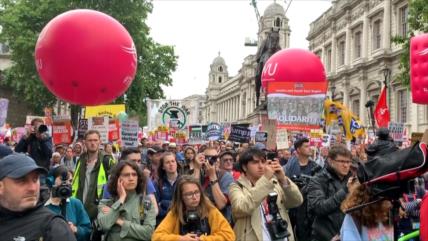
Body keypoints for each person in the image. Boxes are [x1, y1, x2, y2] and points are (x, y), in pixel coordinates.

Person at [229, 147, 303, 241]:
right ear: (244, 167)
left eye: (263, 162)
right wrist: (265, 179)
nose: (261, 166)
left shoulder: (274, 183)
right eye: (255, 162)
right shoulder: (236, 187)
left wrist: (283, 179)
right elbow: (242, 208)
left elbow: (297, 201)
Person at [0, 153, 76, 241]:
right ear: (1, 187)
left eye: (35, 179)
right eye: (22, 181)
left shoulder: (54, 227)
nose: (33, 188)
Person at [152, 175, 235, 241]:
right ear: (181, 197)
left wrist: (202, 239)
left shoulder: (210, 210)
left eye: (197, 192)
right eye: (189, 194)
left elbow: (229, 236)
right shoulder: (175, 213)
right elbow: (156, 237)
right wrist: (180, 239)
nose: (194, 197)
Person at [97, 160, 156, 241]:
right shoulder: (106, 203)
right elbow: (105, 225)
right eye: (126, 175)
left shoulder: (146, 202)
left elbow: (149, 233)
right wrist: (121, 199)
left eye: (134, 175)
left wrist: (119, 221)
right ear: (117, 179)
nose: (131, 178)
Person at [307, 144, 353, 241]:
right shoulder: (317, 180)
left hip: (349, 235)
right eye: (341, 161)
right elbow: (319, 208)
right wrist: (344, 190)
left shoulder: (352, 179)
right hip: (324, 236)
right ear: (330, 161)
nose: (346, 165)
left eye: (348, 162)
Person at [71, 130, 116, 221]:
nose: (93, 143)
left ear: (100, 142)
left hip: (98, 211)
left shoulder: (107, 160)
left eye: (95, 140)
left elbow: (114, 186)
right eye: (90, 140)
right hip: (79, 208)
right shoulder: (81, 160)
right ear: (85, 142)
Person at [45, 165, 92, 241]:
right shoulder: (44, 207)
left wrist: (76, 229)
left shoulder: (76, 204)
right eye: (62, 180)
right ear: (52, 181)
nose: (66, 184)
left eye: (70, 181)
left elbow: (88, 230)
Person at [155, 152, 181, 225]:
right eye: (167, 162)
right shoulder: (158, 183)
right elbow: (156, 206)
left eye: (173, 161)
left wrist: (164, 203)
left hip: (181, 220)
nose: (171, 164)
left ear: (176, 163)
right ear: (163, 167)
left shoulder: (184, 181)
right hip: (164, 221)